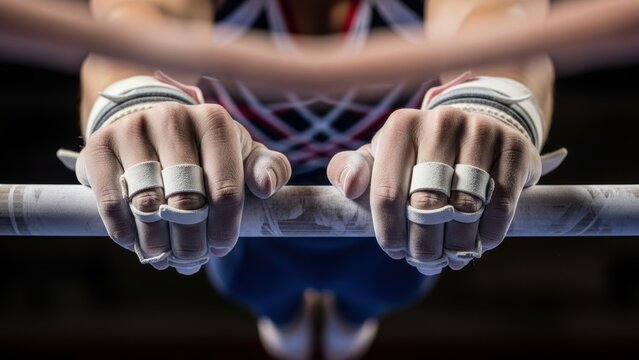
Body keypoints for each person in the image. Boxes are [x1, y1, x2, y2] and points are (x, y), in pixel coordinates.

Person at [66, 0, 562, 359]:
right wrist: (135, 98)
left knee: (390, 281)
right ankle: (289, 321)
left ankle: (345, 320)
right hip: (248, 193)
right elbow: (126, 29)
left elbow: (505, 26)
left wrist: (490, 99)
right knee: (254, 282)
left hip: (391, 192)